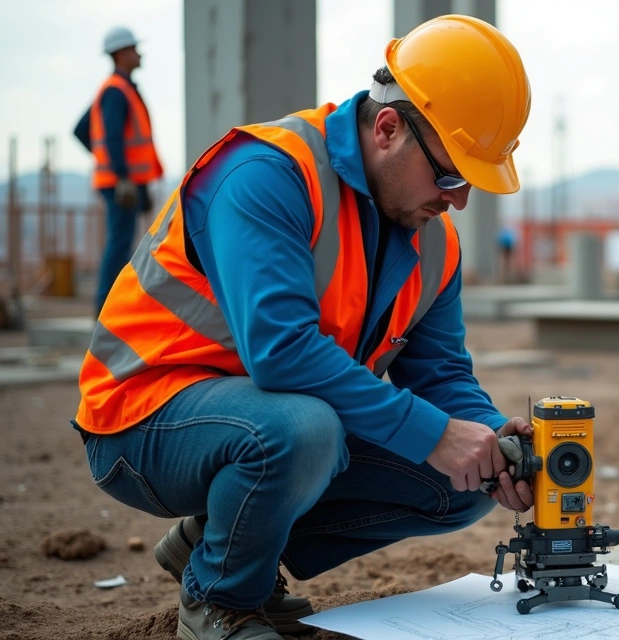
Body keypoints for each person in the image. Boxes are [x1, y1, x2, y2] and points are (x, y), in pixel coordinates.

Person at [72, 16, 534, 640]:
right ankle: (221, 600)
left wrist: (489, 440)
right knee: (302, 429)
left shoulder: (435, 242)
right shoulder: (267, 174)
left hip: (267, 422)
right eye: (450, 175)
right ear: (389, 128)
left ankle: (222, 541)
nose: (459, 201)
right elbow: (281, 351)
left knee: (463, 480)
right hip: (144, 417)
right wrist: (435, 433)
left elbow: (440, 374)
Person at [73, 26, 163, 316]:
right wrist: (122, 176)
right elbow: (110, 136)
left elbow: (83, 130)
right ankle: (106, 312)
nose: (139, 53)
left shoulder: (118, 89)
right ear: (122, 53)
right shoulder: (115, 91)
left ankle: (111, 309)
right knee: (118, 245)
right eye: (134, 49)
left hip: (126, 181)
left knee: (121, 243)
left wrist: (138, 184)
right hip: (120, 183)